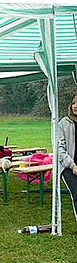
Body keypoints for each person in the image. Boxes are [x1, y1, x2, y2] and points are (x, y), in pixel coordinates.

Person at [59, 92, 77, 221]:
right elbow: (60, 149)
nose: (75, 106)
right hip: (69, 167)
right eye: (73, 103)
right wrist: (72, 165)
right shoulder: (63, 124)